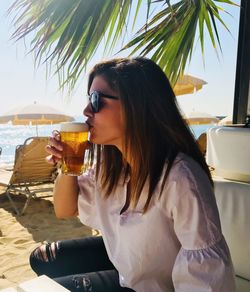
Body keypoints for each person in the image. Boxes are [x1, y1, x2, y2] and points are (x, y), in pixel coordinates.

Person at [30, 57, 236, 292]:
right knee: (42, 257)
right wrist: (67, 166)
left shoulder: (179, 178)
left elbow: (207, 280)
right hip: (129, 272)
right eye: (89, 99)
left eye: (96, 100)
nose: (86, 110)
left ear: (136, 105)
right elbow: (64, 209)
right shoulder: (112, 168)